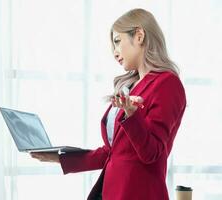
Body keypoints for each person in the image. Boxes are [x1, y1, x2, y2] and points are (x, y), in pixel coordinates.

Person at [30, 8, 186, 200]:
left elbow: (151, 153)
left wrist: (131, 114)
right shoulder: (131, 86)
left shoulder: (167, 84)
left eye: (117, 41)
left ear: (139, 35)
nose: (115, 52)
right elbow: (111, 154)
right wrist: (60, 158)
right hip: (111, 193)